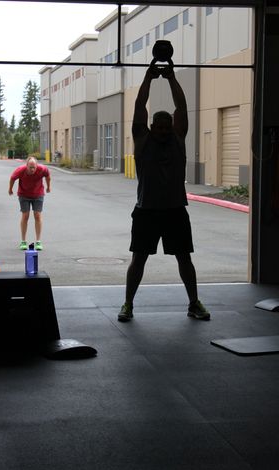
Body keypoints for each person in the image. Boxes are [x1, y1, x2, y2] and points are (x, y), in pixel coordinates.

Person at [118, 60, 210, 322]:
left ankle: (194, 303)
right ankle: (128, 305)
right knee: (138, 261)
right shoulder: (142, 139)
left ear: (171, 127)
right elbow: (139, 107)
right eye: (158, 126)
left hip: (175, 211)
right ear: (151, 127)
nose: (162, 130)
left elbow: (181, 108)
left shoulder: (178, 139)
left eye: (166, 126)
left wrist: (171, 78)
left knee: (184, 259)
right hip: (146, 211)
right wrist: (148, 77)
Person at [8, 157, 51, 251]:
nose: (32, 169)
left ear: (37, 166)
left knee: (37, 215)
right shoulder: (20, 170)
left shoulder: (42, 169)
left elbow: (47, 176)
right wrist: (10, 189)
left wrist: (48, 187)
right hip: (24, 194)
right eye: (30, 167)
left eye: (34, 167)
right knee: (25, 215)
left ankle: (38, 241)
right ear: (26, 165)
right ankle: (23, 241)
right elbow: (12, 178)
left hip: (38, 194)